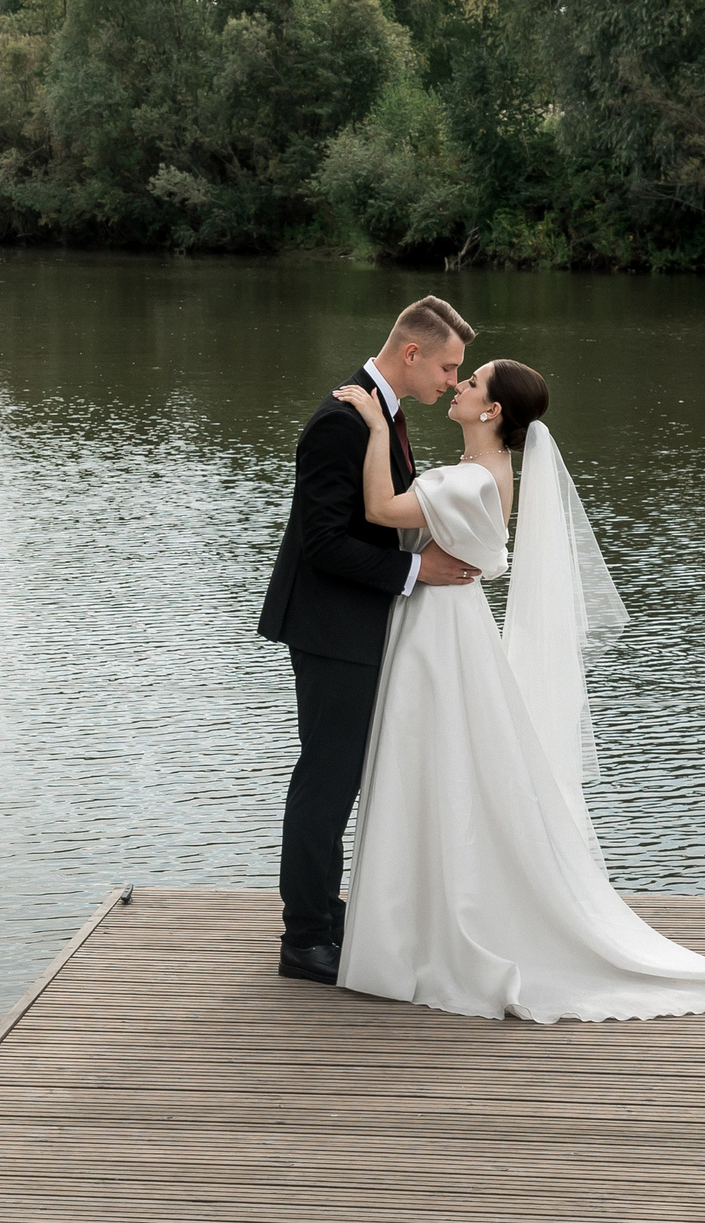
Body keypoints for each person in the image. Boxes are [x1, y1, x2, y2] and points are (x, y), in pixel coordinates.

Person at [323, 358, 705, 1020]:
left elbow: (377, 508)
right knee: (442, 765)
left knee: (429, 761)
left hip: (438, 633)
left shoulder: (465, 480)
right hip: (449, 625)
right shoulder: (489, 475)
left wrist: (374, 425)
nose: (459, 386)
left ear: (492, 411)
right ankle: (412, 926)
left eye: (473, 382)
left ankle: (412, 934)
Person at [257, 296, 480, 984]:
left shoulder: (380, 413)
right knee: (326, 777)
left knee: (339, 774)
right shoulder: (339, 421)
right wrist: (417, 569)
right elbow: (323, 543)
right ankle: (304, 936)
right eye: (447, 367)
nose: (450, 380)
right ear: (411, 353)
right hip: (329, 623)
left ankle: (325, 908)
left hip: (353, 620)